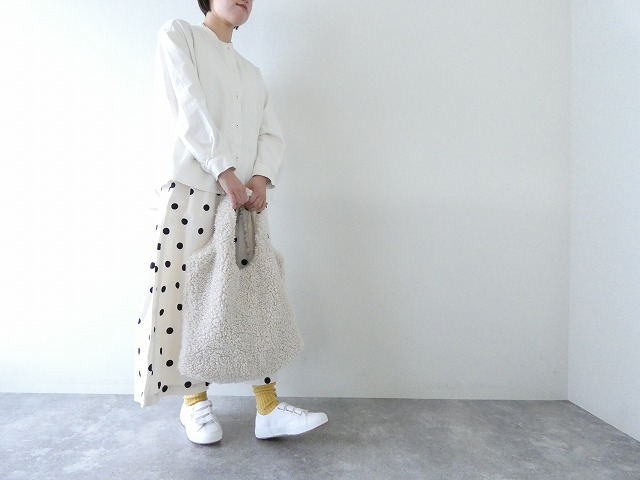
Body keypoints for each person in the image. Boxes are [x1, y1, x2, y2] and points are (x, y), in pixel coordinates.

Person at [134, 0, 328, 444]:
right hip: (193, 189)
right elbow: (187, 105)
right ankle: (194, 403)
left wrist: (260, 176)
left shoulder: (251, 72)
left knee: (255, 295)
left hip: (243, 201)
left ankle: (268, 408)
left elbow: (270, 132)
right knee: (187, 293)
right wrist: (224, 170)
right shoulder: (179, 34)